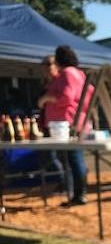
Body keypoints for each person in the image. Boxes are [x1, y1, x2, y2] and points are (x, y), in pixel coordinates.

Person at [38, 45, 93, 206]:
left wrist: (46, 99)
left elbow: (66, 98)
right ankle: (78, 193)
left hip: (69, 123)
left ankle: (79, 195)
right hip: (76, 121)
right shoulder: (79, 74)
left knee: (74, 158)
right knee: (74, 158)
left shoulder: (68, 73)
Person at [38, 55, 65, 192]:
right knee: (50, 156)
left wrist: (45, 99)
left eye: (49, 64)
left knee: (59, 155)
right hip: (47, 122)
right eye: (44, 65)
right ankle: (64, 180)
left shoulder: (60, 80)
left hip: (60, 123)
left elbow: (64, 98)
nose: (46, 67)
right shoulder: (46, 82)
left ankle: (65, 181)